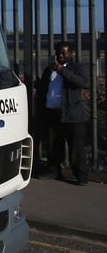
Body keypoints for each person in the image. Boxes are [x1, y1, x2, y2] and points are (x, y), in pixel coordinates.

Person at [35, 41, 89, 185]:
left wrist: (61, 70)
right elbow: (43, 90)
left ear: (71, 53)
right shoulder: (49, 70)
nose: (60, 55)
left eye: (63, 52)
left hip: (72, 115)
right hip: (53, 114)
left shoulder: (77, 68)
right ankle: (54, 171)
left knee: (76, 148)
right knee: (53, 146)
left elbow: (82, 82)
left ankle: (81, 176)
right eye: (58, 52)